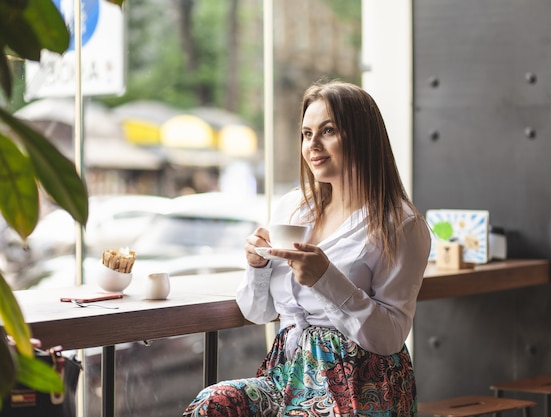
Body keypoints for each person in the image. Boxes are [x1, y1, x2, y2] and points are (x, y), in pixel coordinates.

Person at [183, 80, 431, 417]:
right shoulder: (294, 208)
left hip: (361, 385)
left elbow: (389, 337)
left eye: (327, 130)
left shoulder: (400, 224)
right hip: (286, 377)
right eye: (306, 133)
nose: (312, 144)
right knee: (214, 404)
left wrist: (326, 278)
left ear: (361, 136)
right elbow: (258, 312)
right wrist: (258, 266)